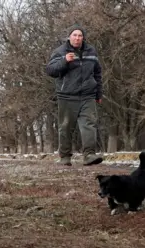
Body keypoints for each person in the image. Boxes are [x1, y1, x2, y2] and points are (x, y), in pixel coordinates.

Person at [46, 24, 103, 166]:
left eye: (80, 35)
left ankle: (89, 155)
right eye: (75, 35)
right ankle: (65, 157)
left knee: (89, 125)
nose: (77, 38)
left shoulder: (91, 51)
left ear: (83, 38)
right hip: (67, 96)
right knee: (65, 127)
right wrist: (65, 60)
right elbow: (51, 70)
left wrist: (99, 92)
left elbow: (97, 73)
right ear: (69, 37)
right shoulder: (60, 52)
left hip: (88, 95)